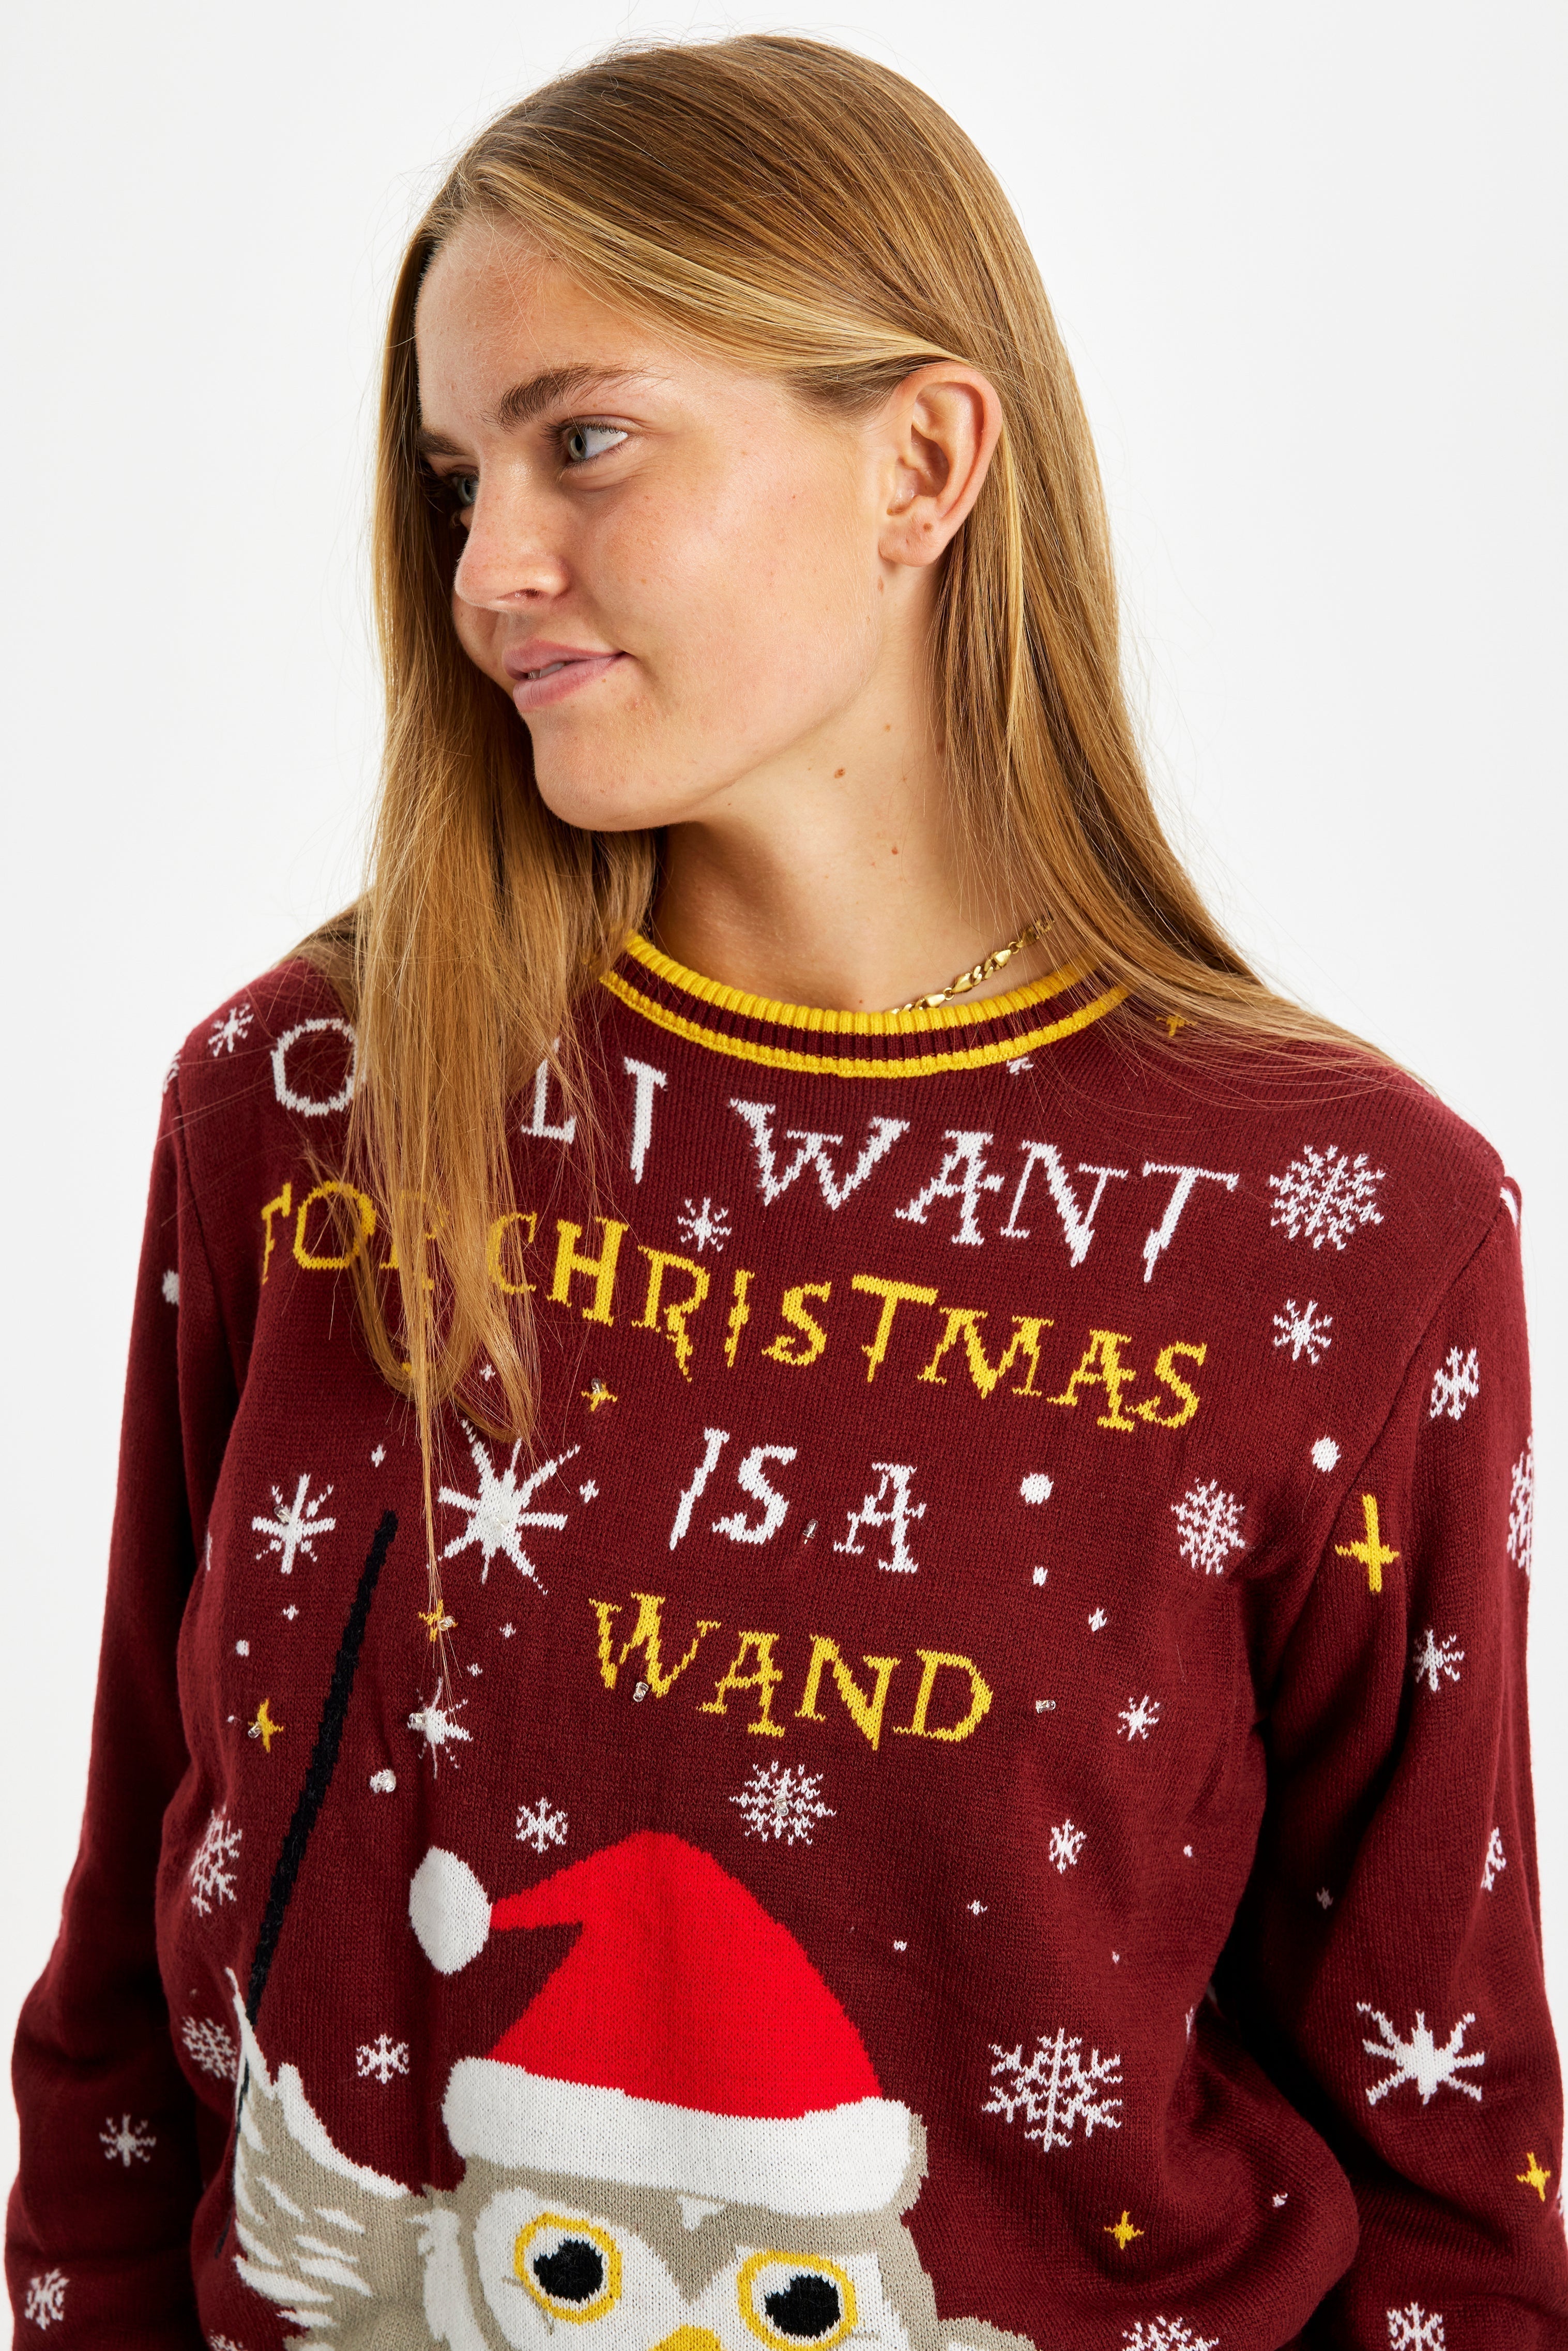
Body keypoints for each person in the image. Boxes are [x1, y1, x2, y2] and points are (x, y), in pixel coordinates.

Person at [6, 32, 1564, 2350]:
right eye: (454, 479)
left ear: (921, 462)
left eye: (585, 440)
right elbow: (129, 2002)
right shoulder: (315, 1101)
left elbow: (1442, 2149)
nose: (490, 569)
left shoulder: (1340, 1224)